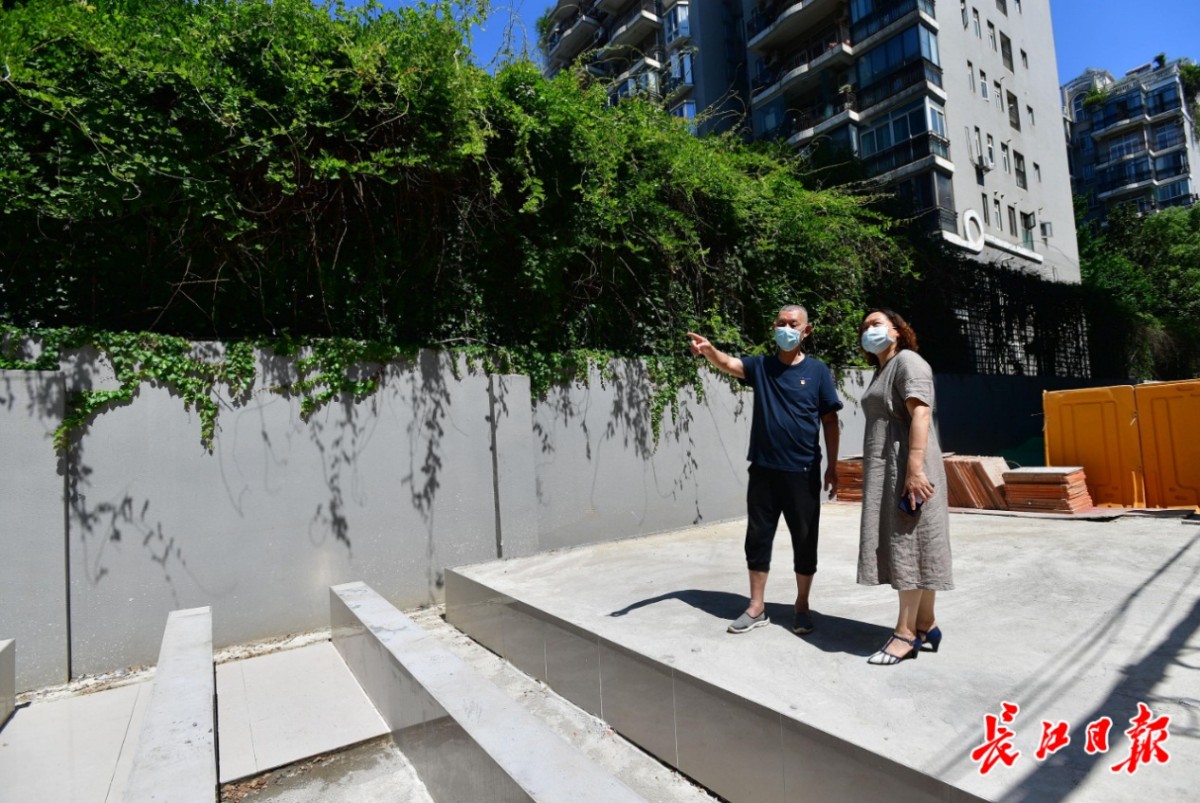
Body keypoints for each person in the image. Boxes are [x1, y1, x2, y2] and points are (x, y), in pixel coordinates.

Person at [687, 305, 842, 636]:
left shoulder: (817, 371)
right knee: (757, 539)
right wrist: (709, 351)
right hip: (764, 471)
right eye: (781, 323)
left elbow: (830, 421)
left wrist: (833, 465)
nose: (787, 328)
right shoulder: (761, 367)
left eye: (793, 324)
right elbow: (729, 364)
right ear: (774, 327)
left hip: (803, 471)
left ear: (806, 331)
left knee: (805, 540)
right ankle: (756, 607)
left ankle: (802, 606)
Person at [855, 308, 953, 665]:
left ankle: (905, 634)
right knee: (915, 542)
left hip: (907, 468)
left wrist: (914, 470)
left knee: (906, 546)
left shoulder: (908, 361)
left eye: (876, 324)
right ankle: (926, 624)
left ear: (897, 330)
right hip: (892, 468)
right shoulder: (884, 369)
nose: (869, 330)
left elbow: (921, 413)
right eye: (865, 326)